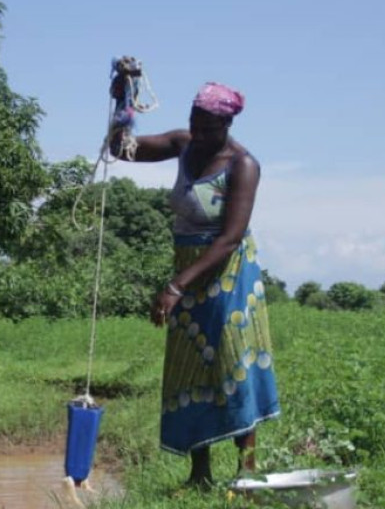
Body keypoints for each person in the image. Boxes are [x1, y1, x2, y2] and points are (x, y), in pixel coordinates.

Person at [110, 82, 280, 486]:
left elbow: (230, 238)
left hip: (228, 274)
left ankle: (246, 470)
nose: (199, 133)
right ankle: (199, 472)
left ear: (227, 123)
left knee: (232, 362)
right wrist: (123, 100)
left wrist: (175, 286)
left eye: (209, 127)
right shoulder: (183, 145)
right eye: (195, 123)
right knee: (190, 367)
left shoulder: (243, 165)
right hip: (186, 267)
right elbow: (121, 149)